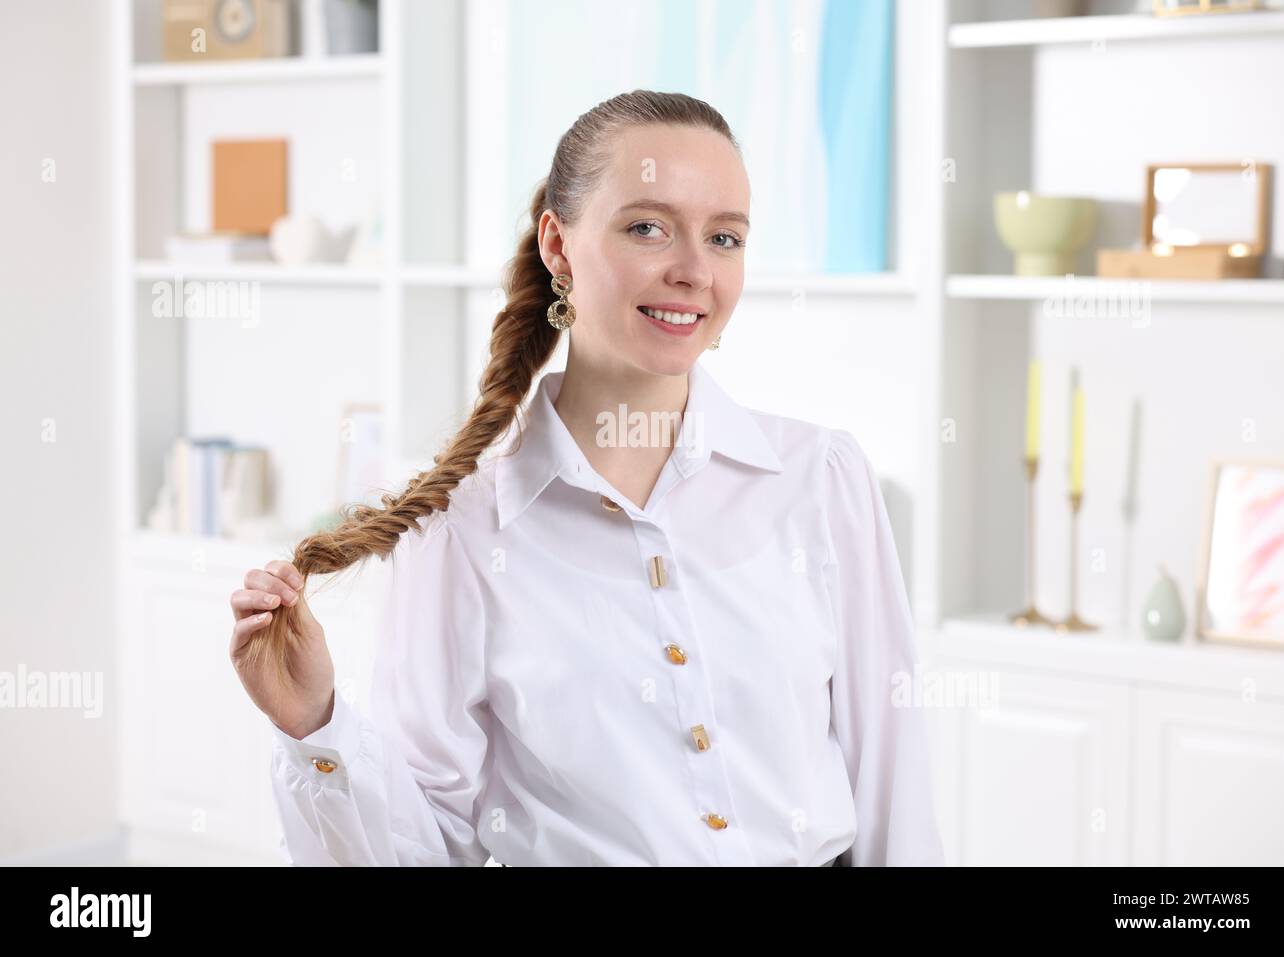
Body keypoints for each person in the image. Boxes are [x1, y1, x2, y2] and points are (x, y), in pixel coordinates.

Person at [228, 90, 945, 867]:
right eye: (647, 227)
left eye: (725, 238)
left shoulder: (822, 479)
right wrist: (314, 725)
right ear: (558, 244)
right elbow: (428, 848)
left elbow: (892, 785)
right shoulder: (465, 532)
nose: (694, 271)